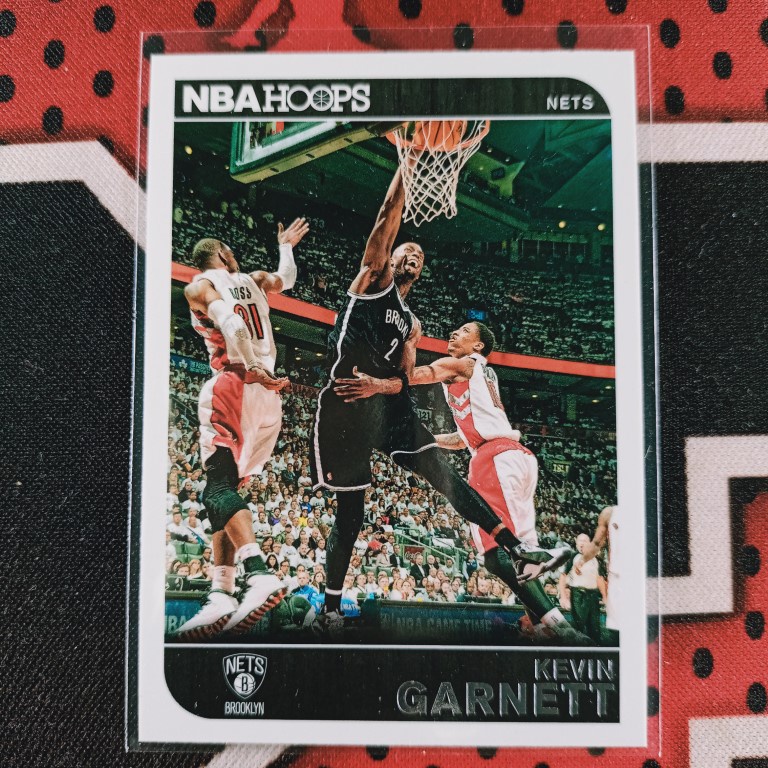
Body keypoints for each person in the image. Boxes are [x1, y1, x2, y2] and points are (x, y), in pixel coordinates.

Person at [311, 169, 561, 635]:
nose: (413, 256)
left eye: (420, 256)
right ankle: (328, 610)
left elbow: (404, 382)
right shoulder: (373, 279)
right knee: (351, 514)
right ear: (390, 256)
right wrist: (408, 166)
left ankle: (516, 548)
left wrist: (382, 386)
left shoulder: (413, 324)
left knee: (442, 473)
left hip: (384, 404)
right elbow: (386, 216)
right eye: (406, 249)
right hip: (345, 401)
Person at [349, 320, 584, 644]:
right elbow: (462, 439)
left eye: (463, 332)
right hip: (517, 457)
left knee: (494, 554)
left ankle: (561, 629)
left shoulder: (462, 365)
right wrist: (428, 442)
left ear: (478, 346)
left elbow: (421, 374)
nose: (454, 333)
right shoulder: (482, 375)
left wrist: (378, 382)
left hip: (494, 459)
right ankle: (545, 627)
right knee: (521, 560)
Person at [174, 217, 310, 640]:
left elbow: (231, 324)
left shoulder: (199, 286)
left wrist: (250, 365)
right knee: (227, 493)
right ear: (225, 254)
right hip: (269, 400)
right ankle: (222, 591)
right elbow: (286, 278)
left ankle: (257, 572)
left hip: (236, 383)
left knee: (216, 490)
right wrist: (285, 247)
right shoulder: (254, 279)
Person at [576, 505, 621, 643]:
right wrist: (582, 560)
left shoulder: (646, 508)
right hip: (617, 576)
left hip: (639, 577)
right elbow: (596, 543)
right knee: (616, 630)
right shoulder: (609, 513)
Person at [559, 533, 606, 644]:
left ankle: (595, 650)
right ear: (576, 544)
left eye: (584, 541)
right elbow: (562, 577)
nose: (582, 543)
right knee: (578, 627)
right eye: (580, 541)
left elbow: (599, 578)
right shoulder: (573, 557)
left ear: (589, 544)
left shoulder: (595, 559)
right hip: (578, 595)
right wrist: (563, 596)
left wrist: (605, 596)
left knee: (595, 628)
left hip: (593, 595)